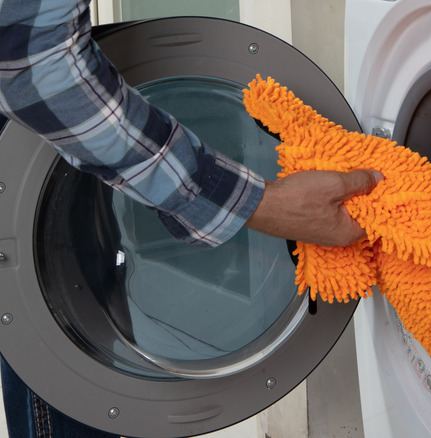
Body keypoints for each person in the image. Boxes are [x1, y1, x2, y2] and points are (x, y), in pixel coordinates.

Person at [0, 0, 381, 436]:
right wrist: (264, 206)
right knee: (50, 300)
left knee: (73, 296)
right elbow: (33, 71)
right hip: (24, 122)